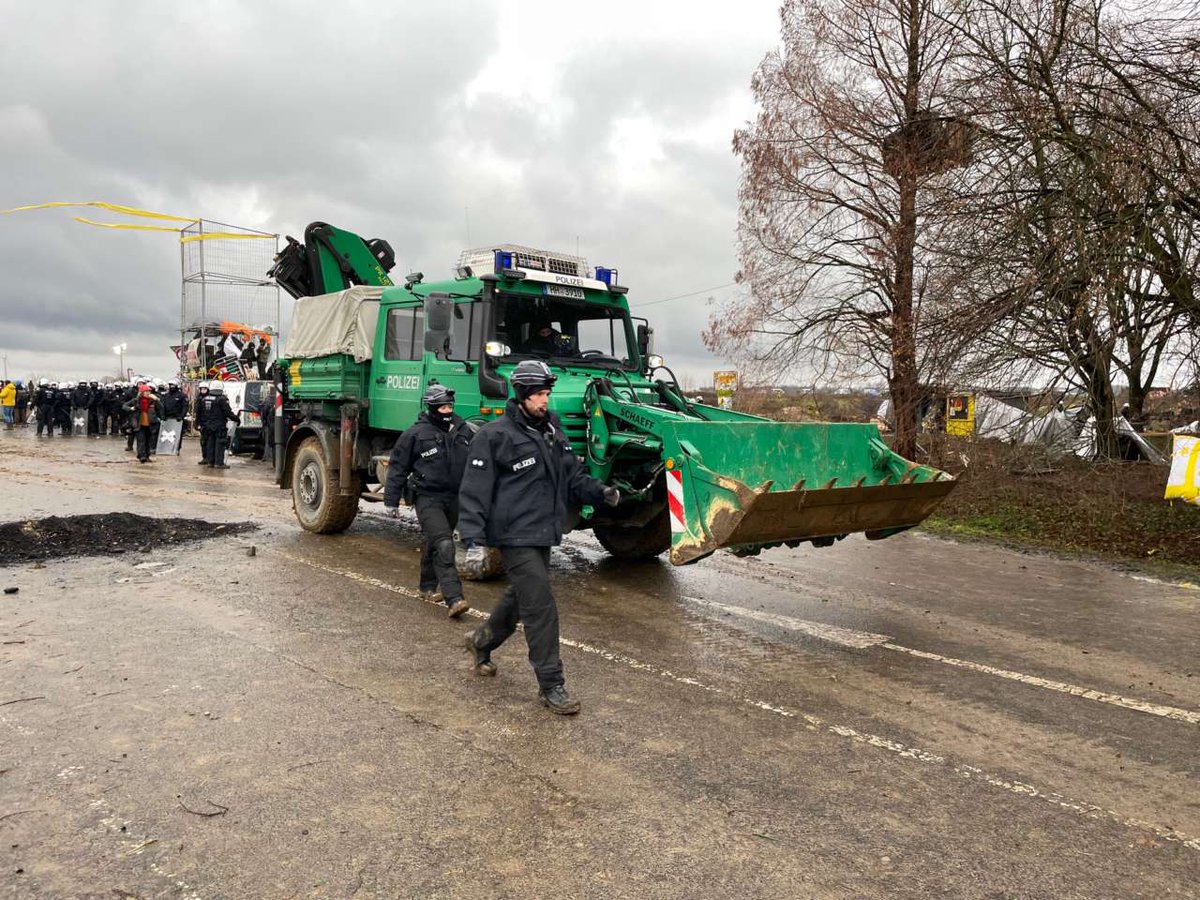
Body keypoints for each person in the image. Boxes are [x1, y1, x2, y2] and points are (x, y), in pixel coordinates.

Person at [458, 360, 619, 715]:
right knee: (540, 604)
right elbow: (474, 491)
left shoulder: (551, 430)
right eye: (541, 395)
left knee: (522, 596)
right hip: (513, 534)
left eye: (548, 393)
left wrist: (600, 492)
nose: (547, 401)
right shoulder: (494, 436)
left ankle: (481, 640)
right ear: (523, 395)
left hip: (543, 530)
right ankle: (552, 685)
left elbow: (571, 474)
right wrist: (472, 540)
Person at [383, 385, 476, 618]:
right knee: (445, 544)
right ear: (432, 408)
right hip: (427, 498)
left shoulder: (464, 430)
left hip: (454, 498)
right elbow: (398, 467)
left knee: (436, 541)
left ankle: (426, 587)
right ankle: (455, 598)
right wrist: (391, 501)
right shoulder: (415, 434)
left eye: (450, 406)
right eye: (443, 406)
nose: (447, 410)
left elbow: (480, 461)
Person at [122, 382, 163, 463]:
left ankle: (147, 456)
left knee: (148, 441)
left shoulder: (153, 401)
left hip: (150, 424)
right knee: (141, 441)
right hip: (139, 424)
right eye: (146, 391)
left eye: (149, 391)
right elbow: (124, 406)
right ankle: (141, 456)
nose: (148, 393)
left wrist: (157, 400)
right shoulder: (136, 401)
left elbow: (161, 408)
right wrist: (131, 409)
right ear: (142, 393)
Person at [200, 385, 239, 468]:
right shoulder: (222, 399)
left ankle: (210, 462)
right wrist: (236, 419)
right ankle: (219, 463)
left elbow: (201, 412)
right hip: (219, 425)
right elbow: (228, 412)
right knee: (220, 443)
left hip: (208, 425)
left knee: (210, 443)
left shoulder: (205, 399)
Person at [194, 384, 212, 463]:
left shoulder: (211, 398)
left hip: (210, 423)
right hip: (202, 423)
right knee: (203, 442)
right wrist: (196, 423)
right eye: (202, 389)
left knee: (210, 441)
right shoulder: (199, 398)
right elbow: (197, 413)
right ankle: (205, 457)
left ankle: (210, 458)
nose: (203, 390)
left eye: (205, 389)